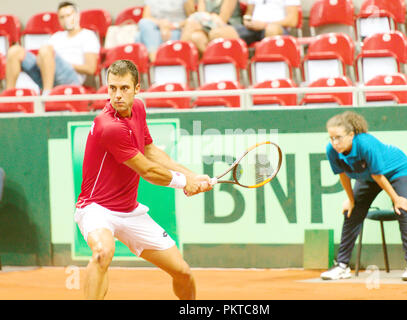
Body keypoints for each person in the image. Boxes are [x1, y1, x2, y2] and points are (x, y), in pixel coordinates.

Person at [74, 59, 212, 300]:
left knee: (183, 273)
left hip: (130, 212)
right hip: (96, 209)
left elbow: (150, 151)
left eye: (124, 88)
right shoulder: (108, 126)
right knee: (102, 253)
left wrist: (190, 175)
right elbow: (147, 170)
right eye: (112, 88)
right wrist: (183, 183)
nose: (117, 95)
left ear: (137, 88)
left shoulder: (137, 108)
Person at [320, 111, 407, 282]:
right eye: (331, 138)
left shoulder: (366, 144)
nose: (335, 142)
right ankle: (342, 266)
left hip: (398, 170)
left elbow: (378, 176)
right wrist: (351, 200)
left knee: (402, 210)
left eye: (338, 137)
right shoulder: (332, 150)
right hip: (369, 177)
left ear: (351, 135)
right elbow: (343, 175)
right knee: (351, 213)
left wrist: (396, 199)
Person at [5, 2, 100, 95]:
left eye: (68, 15)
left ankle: (47, 95)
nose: (66, 19)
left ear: (78, 15)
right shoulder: (56, 37)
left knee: (46, 50)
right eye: (62, 17)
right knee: (14, 51)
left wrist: (62, 63)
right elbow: (43, 57)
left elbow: (90, 69)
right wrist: (45, 61)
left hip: (71, 77)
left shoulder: (88, 35)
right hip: (47, 73)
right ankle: (8, 96)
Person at [236, 0, 300, 46]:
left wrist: (265, 24)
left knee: (271, 30)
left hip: (277, 28)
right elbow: (248, 13)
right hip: (253, 28)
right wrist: (247, 21)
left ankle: (267, 63)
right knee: (229, 32)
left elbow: (292, 21)